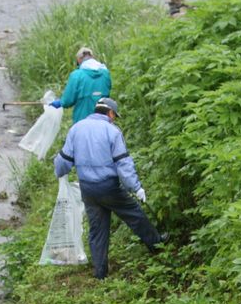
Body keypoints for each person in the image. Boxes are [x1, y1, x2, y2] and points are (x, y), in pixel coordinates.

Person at [53, 97, 164, 280]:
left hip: (87, 188)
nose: (114, 119)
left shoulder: (77, 128)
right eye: (114, 116)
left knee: (97, 230)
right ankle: (158, 246)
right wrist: (136, 188)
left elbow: (64, 160)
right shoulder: (112, 131)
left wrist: (59, 172)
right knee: (135, 214)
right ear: (110, 113)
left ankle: (100, 273)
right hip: (108, 187)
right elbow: (123, 164)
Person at [49, 46, 111, 124]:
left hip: (83, 120)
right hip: (103, 120)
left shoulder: (77, 75)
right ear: (92, 57)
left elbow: (68, 100)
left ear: (79, 60)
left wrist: (61, 102)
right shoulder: (105, 73)